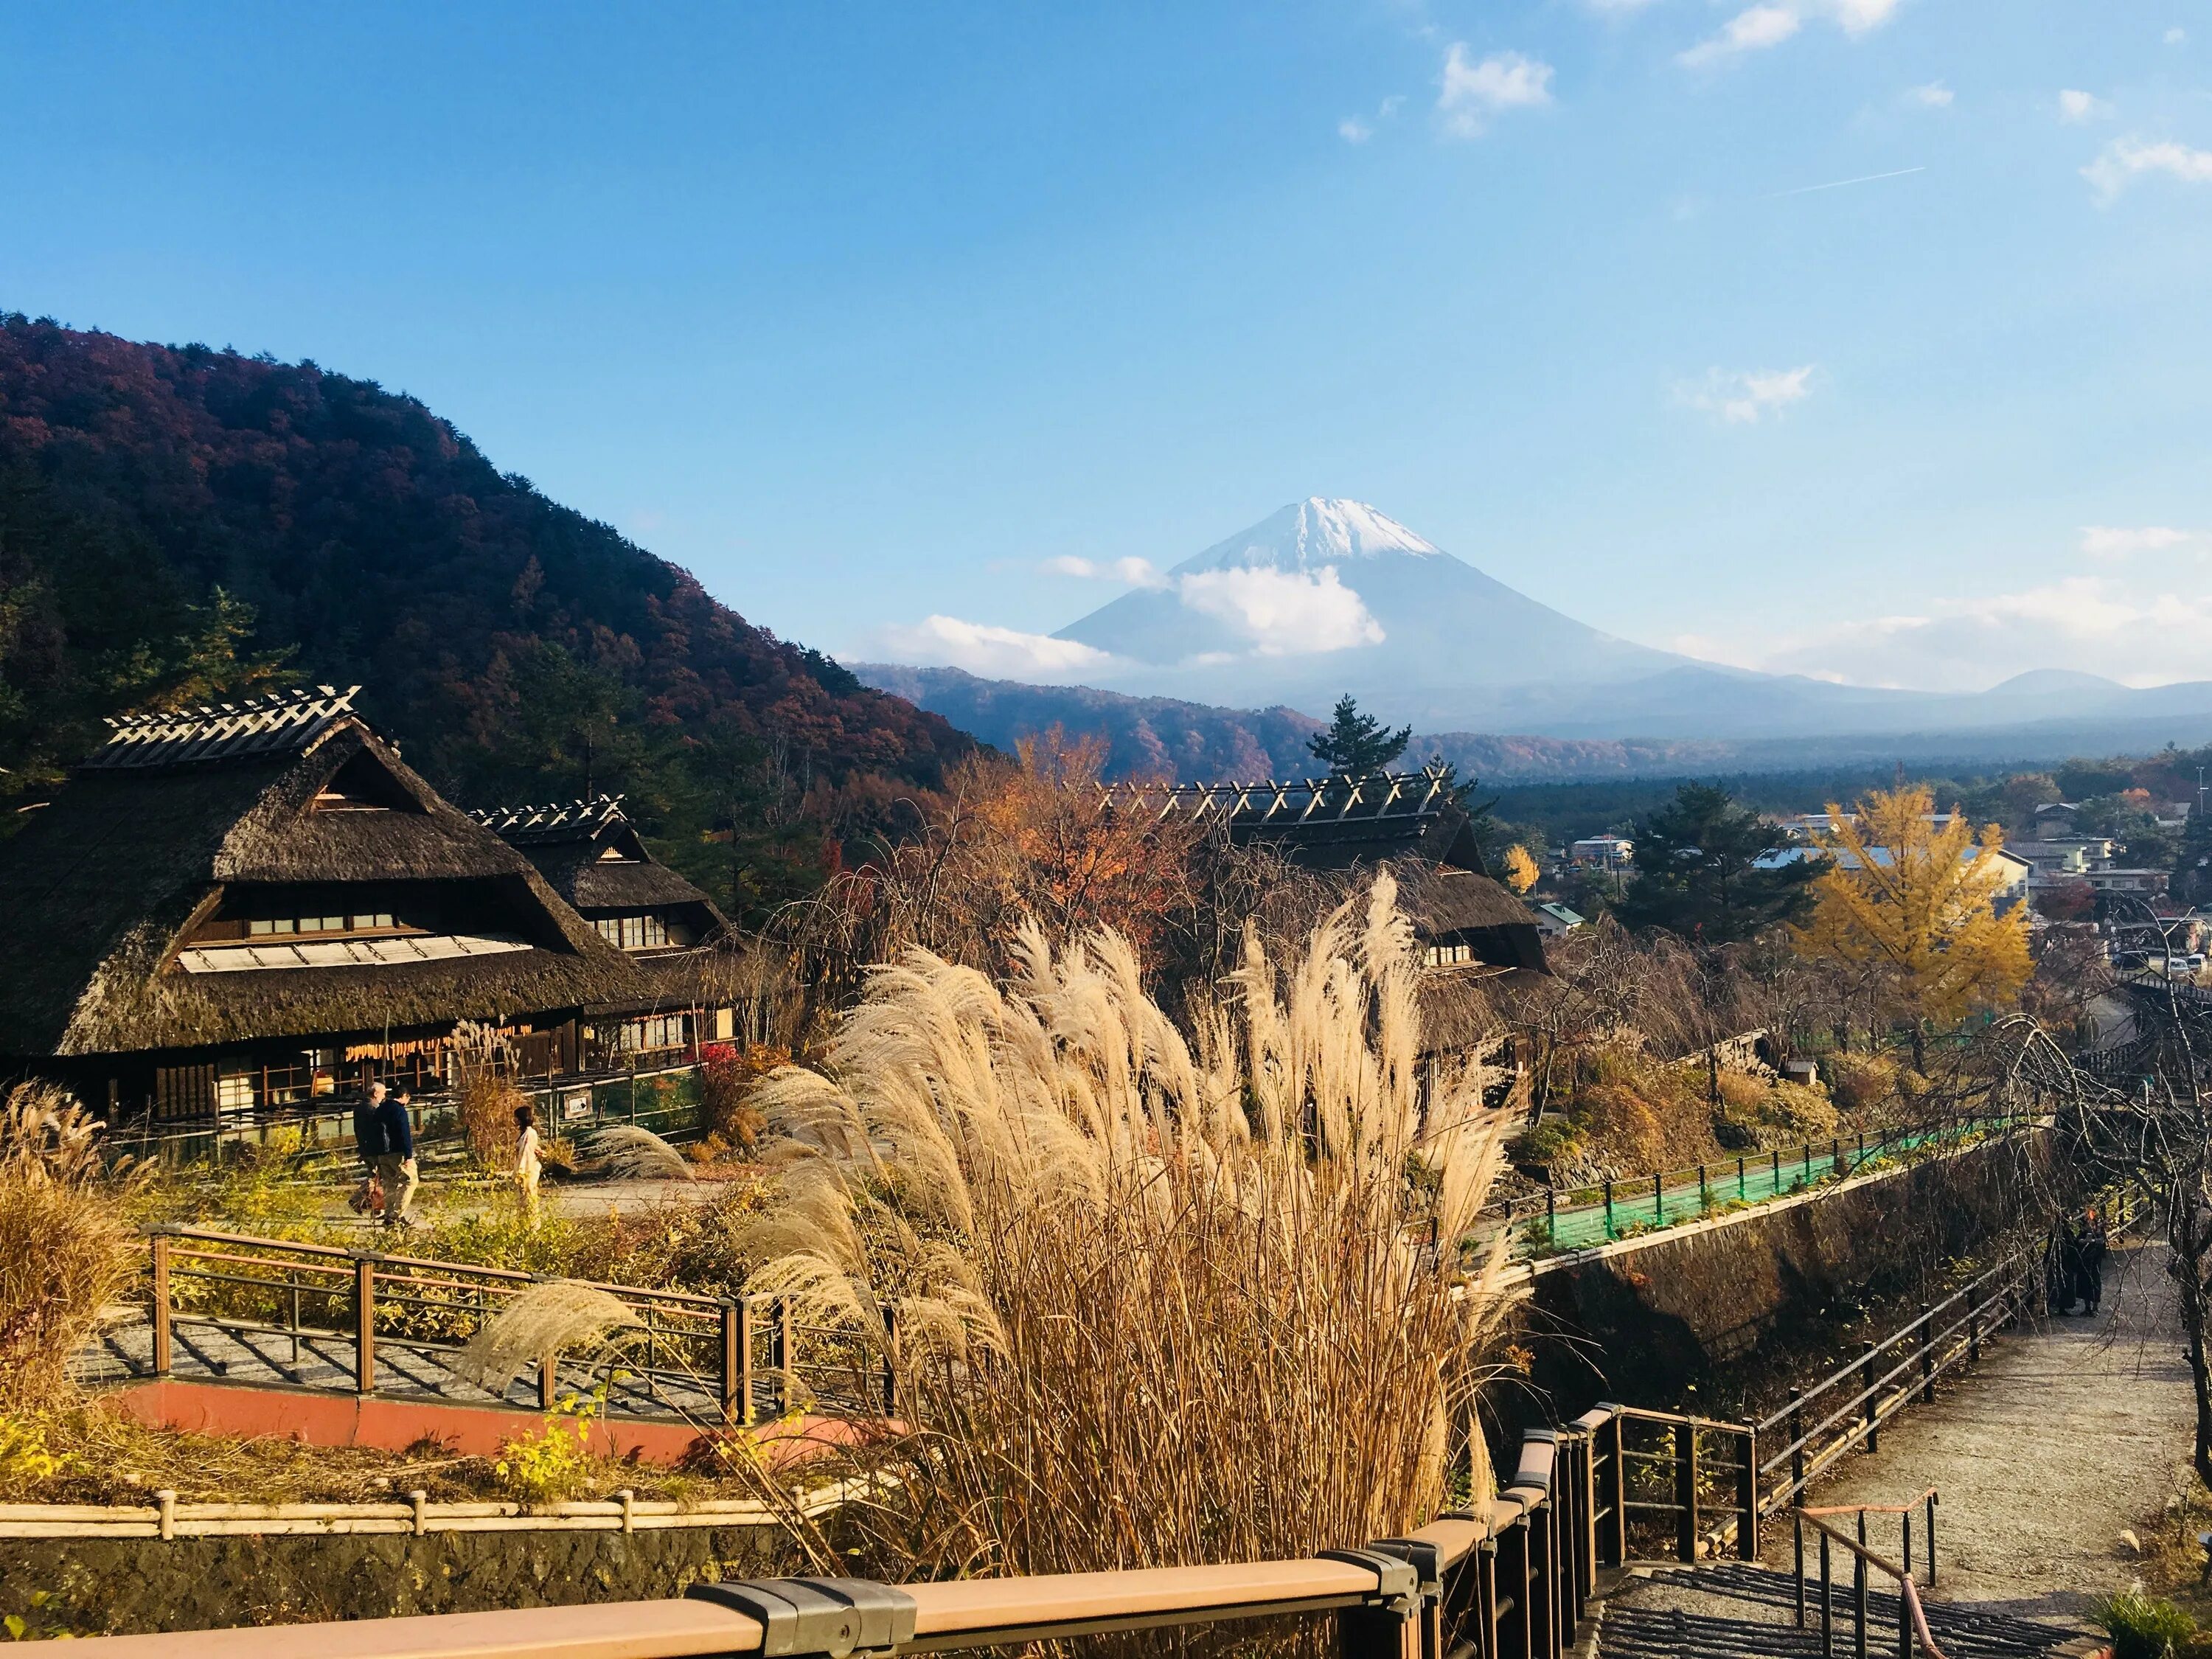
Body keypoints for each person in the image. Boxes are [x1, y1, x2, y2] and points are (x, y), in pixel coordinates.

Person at [372, 1083, 420, 1229]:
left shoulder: (380, 1109)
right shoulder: (399, 1111)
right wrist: (408, 1155)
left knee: (389, 1184)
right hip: (397, 1152)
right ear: (405, 1096)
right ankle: (396, 1215)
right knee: (410, 1181)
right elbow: (404, 1134)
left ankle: (388, 1214)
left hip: (382, 1152)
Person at [350, 1080, 388, 1216]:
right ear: (376, 1093)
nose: (384, 1097)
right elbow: (380, 1131)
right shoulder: (374, 1108)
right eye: (383, 1094)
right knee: (377, 1177)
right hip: (375, 1148)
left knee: (374, 1176)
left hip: (365, 1146)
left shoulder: (360, 1107)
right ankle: (375, 1207)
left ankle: (359, 1201)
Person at [512, 1101, 543, 1227]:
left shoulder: (529, 1134)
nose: (514, 1120)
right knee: (522, 1202)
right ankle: (524, 1227)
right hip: (524, 1170)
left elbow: (526, 1155)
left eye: (516, 1117)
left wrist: (521, 1174)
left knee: (529, 1199)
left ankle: (533, 1228)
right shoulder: (525, 1133)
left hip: (528, 1171)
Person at [2077, 1207, 2109, 1317]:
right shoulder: (2083, 1232)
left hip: (2095, 1260)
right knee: (2085, 1282)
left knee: (2095, 1282)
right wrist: (2084, 1241)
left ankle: (2095, 1308)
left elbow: (2102, 1243)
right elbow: (2078, 1242)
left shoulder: (2099, 1232)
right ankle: (2087, 1307)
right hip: (2085, 1260)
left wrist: (2095, 1241)